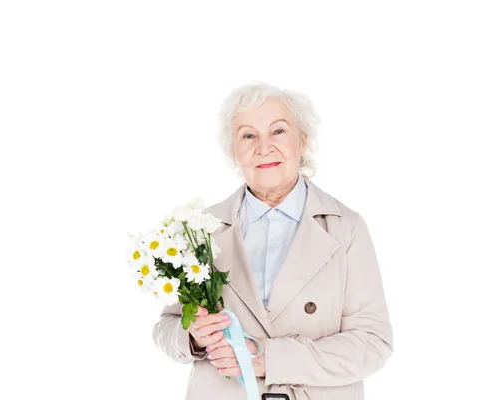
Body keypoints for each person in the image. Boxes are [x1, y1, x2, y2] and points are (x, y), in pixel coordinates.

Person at [152, 81, 394, 400]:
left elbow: (373, 343)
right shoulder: (201, 230)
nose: (263, 147)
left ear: (303, 140)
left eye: (278, 131)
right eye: (248, 135)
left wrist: (268, 358)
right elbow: (166, 328)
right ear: (233, 151)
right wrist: (194, 336)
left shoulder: (346, 227)